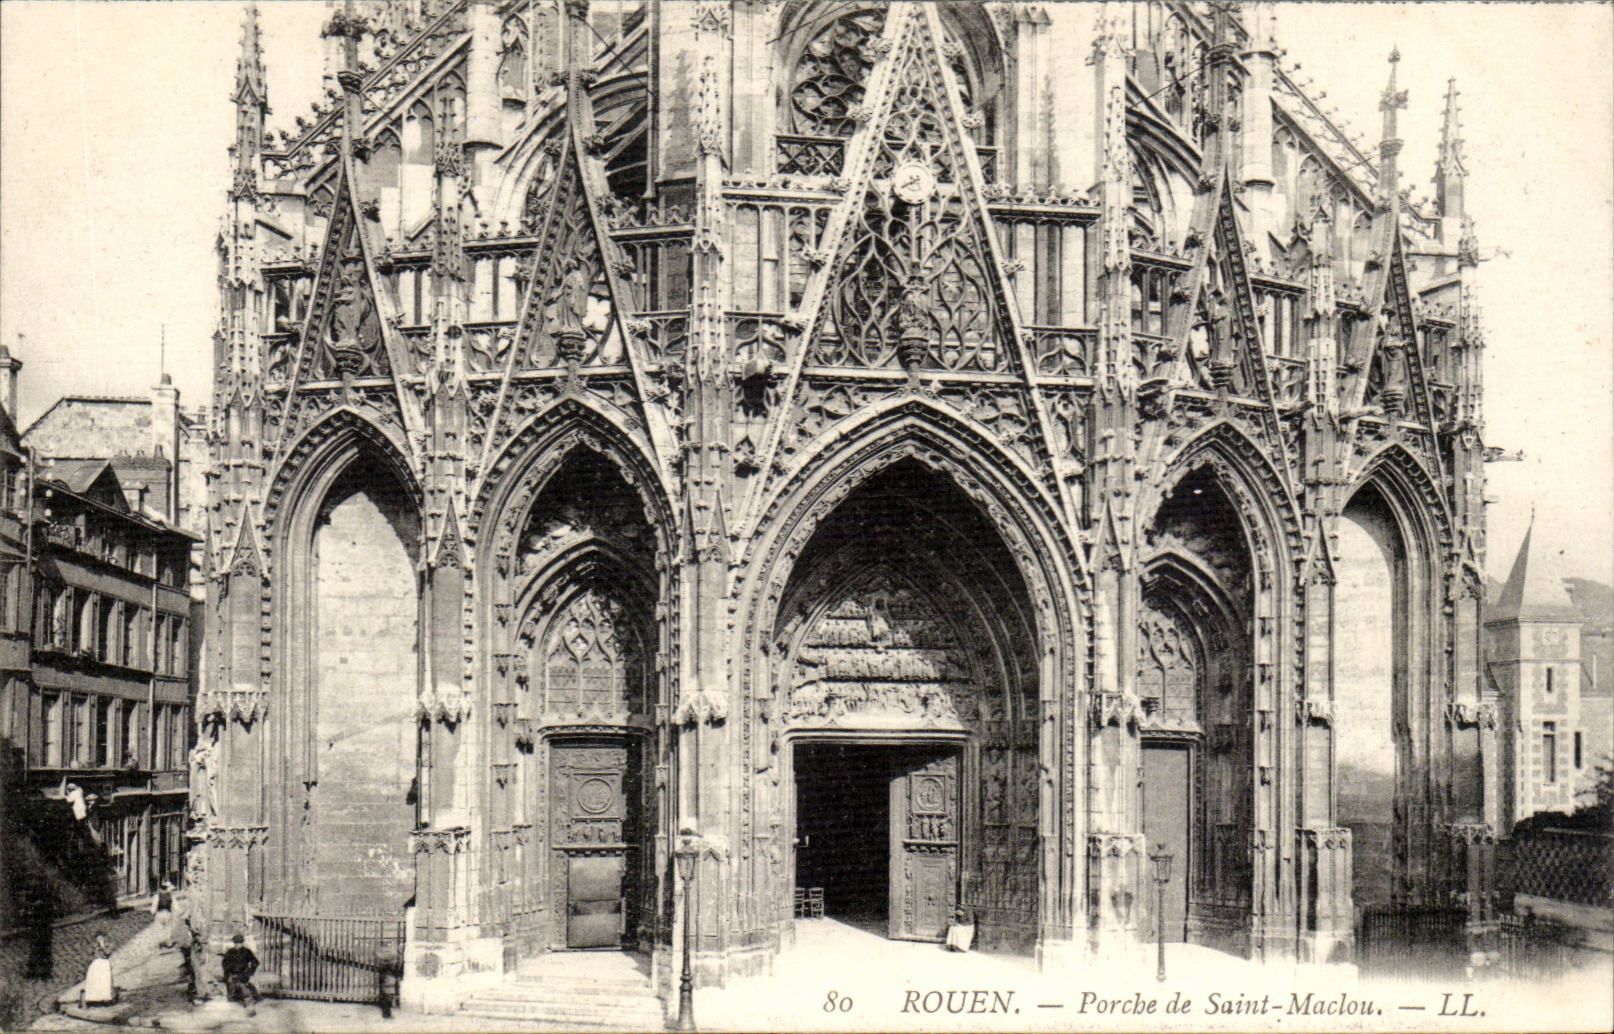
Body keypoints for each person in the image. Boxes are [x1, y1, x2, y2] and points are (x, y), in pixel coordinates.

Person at [221, 933, 260, 1011]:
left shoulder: (247, 952)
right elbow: (224, 963)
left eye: (239, 943)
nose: (238, 945)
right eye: (236, 943)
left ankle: (249, 1006)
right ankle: (233, 1004)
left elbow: (255, 962)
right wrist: (228, 971)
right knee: (231, 993)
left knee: (245, 990)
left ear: (242, 943)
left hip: (243, 974)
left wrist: (250, 971)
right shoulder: (230, 952)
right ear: (234, 943)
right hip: (232, 974)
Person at [81, 930, 116, 1007]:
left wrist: (103, 946)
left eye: (100, 938)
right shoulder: (95, 946)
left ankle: (104, 1000)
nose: (99, 940)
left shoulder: (108, 945)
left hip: (104, 964)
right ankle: (94, 999)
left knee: (104, 982)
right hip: (95, 964)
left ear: (104, 938)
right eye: (97, 938)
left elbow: (108, 953)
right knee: (94, 981)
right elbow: (90, 955)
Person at [151, 880, 175, 948]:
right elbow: (175, 905)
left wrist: (153, 912)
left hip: (159, 913)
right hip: (168, 913)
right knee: (168, 928)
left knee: (158, 928)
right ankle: (169, 943)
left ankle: (158, 943)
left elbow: (154, 904)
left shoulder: (158, 895)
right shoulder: (170, 895)